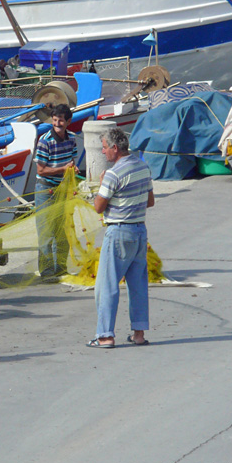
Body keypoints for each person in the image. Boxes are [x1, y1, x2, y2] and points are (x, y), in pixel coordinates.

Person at [88, 128, 155, 349]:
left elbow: (98, 207)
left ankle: (105, 336)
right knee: (137, 285)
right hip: (139, 232)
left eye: (105, 148)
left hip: (118, 233)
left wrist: (101, 186)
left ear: (115, 148)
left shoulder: (113, 174)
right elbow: (150, 201)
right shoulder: (143, 167)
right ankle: (138, 333)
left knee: (107, 286)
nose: (103, 152)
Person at [34, 103, 79, 278]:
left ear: (68, 121)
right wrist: (63, 169)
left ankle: (60, 268)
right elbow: (41, 170)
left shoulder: (72, 139)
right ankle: (46, 272)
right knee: (46, 231)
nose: (57, 124)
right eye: (54, 121)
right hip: (45, 189)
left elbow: (71, 162)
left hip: (63, 189)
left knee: (63, 231)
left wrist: (72, 170)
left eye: (60, 121)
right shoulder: (45, 141)